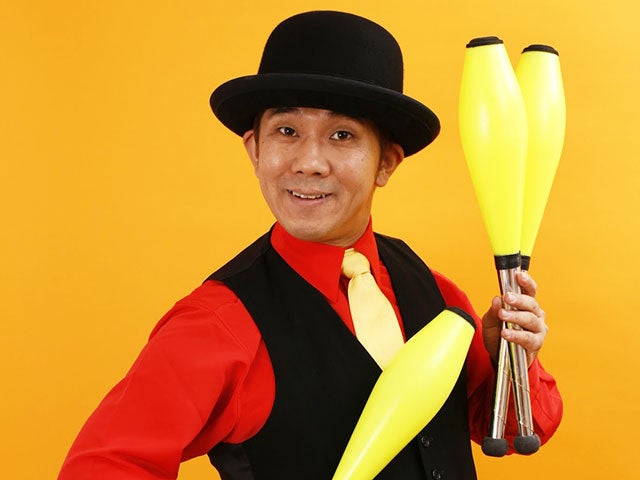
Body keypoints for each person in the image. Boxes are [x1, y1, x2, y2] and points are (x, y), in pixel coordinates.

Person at [58, 10, 562, 480]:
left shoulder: (433, 292)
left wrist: (510, 361)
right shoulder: (219, 323)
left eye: (342, 135)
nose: (309, 162)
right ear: (255, 150)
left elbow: (517, 431)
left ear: (386, 162)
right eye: (287, 130)